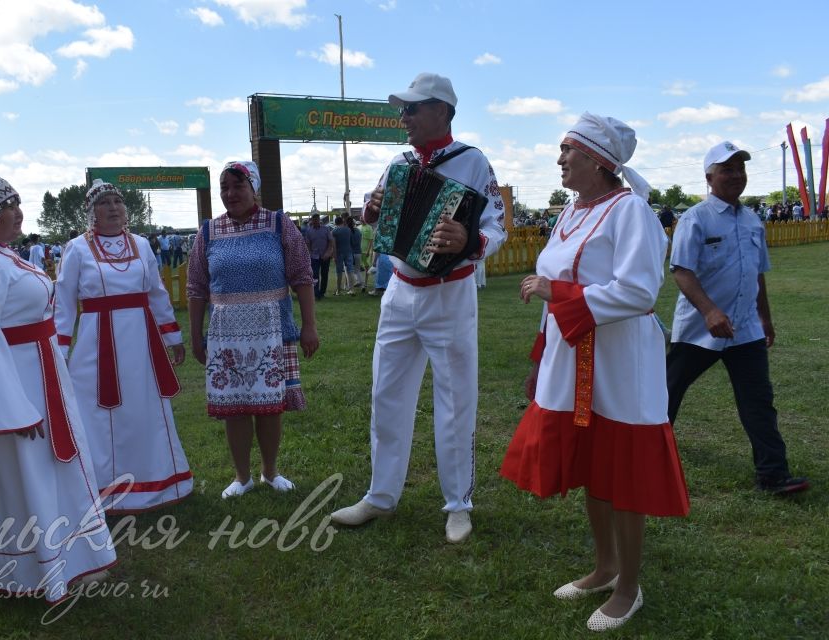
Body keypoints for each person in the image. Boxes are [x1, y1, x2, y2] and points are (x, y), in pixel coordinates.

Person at [499, 115, 690, 632]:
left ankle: (629, 586)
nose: (559, 159)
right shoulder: (569, 212)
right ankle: (605, 567)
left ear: (599, 159)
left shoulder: (632, 213)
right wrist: (542, 355)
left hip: (620, 357)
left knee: (622, 463)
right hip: (570, 353)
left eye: (567, 150)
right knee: (591, 458)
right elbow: (555, 283)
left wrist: (554, 293)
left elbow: (638, 291)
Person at [330, 72, 507, 544]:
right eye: (402, 109)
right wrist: (372, 210)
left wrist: (473, 239)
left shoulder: (472, 161)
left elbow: (497, 222)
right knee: (386, 393)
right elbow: (377, 210)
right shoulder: (400, 162)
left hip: (450, 290)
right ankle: (380, 496)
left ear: (442, 111)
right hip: (400, 290)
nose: (402, 117)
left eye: (411, 109)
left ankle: (458, 504)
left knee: (455, 399)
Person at [0, 166, 116, 603]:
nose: (19, 213)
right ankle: (28, 568)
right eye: (10, 206)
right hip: (17, 386)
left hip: (38, 373)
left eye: (17, 203)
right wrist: (11, 409)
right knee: (25, 472)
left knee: (48, 469)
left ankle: (70, 556)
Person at [667, 141, 810, 495]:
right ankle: (645, 453)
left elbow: (757, 274)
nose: (736, 175)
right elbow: (682, 271)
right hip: (699, 329)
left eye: (740, 168)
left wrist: (766, 318)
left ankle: (773, 475)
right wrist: (710, 311)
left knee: (758, 400)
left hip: (744, 329)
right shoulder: (695, 218)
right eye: (727, 169)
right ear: (709, 177)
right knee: (667, 394)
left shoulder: (752, 220)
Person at [55, 180, 193, 513]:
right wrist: (59, 352)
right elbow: (63, 302)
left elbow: (155, 292)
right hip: (95, 344)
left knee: (145, 408)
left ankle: (156, 482)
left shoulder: (142, 245)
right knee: (98, 414)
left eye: (118, 201)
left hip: (141, 343)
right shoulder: (76, 248)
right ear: (91, 212)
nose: (113, 208)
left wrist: (172, 336)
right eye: (104, 203)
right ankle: (101, 488)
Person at [187, 161, 318, 499]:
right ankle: (242, 476)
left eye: (238, 186)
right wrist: (195, 335)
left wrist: (309, 326)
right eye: (224, 188)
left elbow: (302, 276)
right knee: (237, 406)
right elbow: (196, 287)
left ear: (254, 187)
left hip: (272, 330)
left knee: (271, 405)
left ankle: (270, 472)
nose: (230, 194)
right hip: (225, 334)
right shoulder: (209, 232)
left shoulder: (279, 225)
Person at [304, 213, 334, 300]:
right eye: (314, 220)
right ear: (312, 220)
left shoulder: (326, 229)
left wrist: (328, 253)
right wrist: (309, 253)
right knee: (315, 275)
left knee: (324, 274)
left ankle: (322, 292)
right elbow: (308, 243)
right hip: (314, 256)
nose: (315, 221)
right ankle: (316, 293)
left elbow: (330, 242)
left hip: (325, 256)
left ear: (319, 220)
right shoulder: (309, 231)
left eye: (316, 219)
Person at [331, 215, 354, 295]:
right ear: (342, 221)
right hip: (349, 251)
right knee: (350, 270)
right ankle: (351, 289)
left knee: (339, 272)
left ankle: (338, 290)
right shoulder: (348, 230)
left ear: (335, 223)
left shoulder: (334, 231)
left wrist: (334, 255)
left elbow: (333, 245)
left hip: (339, 253)